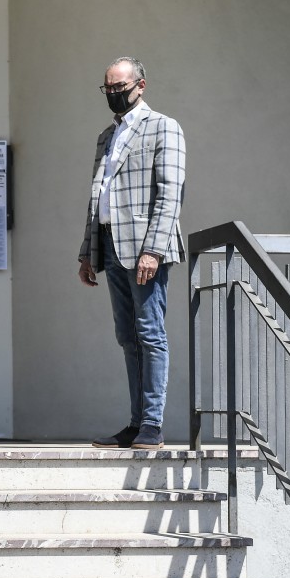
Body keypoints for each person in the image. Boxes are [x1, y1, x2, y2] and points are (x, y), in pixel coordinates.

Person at [78, 56, 186, 451]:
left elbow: (170, 194)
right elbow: (98, 196)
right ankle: (136, 422)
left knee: (150, 333)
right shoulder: (107, 136)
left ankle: (152, 424)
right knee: (127, 336)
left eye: (119, 87)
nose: (113, 93)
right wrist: (87, 251)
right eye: (107, 88)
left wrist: (153, 249)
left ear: (141, 85)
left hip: (145, 249)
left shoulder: (163, 127)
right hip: (109, 244)